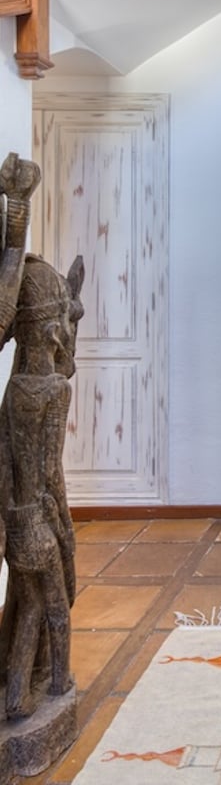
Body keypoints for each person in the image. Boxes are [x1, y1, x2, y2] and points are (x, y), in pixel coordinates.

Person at [0, 152, 84, 720]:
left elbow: (9, 468)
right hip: (40, 518)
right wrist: (55, 519)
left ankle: (17, 689)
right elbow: (49, 469)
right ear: (54, 329)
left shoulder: (11, 397)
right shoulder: (52, 392)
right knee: (49, 599)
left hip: (15, 517)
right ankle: (49, 684)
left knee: (28, 600)